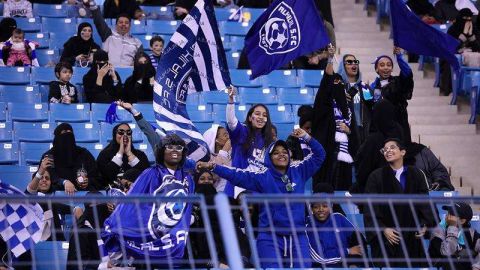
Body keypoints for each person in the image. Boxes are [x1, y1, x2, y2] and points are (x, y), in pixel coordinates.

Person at [197, 128, 326, 268]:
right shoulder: (263, 176)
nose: (281, 155)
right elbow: (236, 175)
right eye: (276, 153)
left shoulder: (299, 170)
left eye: (284, 152)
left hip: (298, 236)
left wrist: (307, 137)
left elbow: (320, 155)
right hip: (270, 237)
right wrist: (213, 167)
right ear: (268, 158)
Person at [101, 134, 195, 268]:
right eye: (169, 147)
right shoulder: (150, 173)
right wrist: (116, 222)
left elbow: (186, 208)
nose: (175, 150)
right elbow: (133, 202)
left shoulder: (188, 179)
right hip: (150, 234)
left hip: (174, 239)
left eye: (179, 148)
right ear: (162, 151)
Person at [364, 138, 437, 267]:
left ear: (402, 152)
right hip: (388, 238)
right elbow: (370, 208)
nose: (388, 151)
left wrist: (425, 224)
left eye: (392, 147)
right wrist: (383, 229)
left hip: (411, 237)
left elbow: (424, 202)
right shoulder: (376, 176)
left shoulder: (416, 174)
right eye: (385, 149)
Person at [312, 45, 358, 191]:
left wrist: (349, 130)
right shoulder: (323, 103)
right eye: (335, 84)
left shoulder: (346, 106)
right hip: (326, 154)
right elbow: (327, 80)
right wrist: (330, 59)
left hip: (343, 158)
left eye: (340, 85)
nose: (338, 86)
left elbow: (354, 131)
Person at [225, 87, 275, 198]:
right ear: (250, 117)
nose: (261, 117)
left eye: (264, 115)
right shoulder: (242, 131)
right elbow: (231, 122)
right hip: (236, 189)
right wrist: (231, 100)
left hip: (258, 191)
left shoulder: (270, 142)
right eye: (257, 114)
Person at [351, 99, 404, 194]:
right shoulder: (399, 132)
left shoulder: (374, 139)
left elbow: (363, 168)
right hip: (398, 190)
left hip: (375, 193)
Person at [307, 193, 367, 267]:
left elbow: (358, 241)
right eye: (316, 207)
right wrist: (347, 251)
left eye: (325, 206)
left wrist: (353, 264)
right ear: (312, 209)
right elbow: (320, 258)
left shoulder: (339, 218)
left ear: (331, 207)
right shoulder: (308, 226)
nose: (321, 210)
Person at [370, 47, 414, 144]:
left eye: (389, 65)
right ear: (377, 69)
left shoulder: (398, 82)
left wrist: (399, 56)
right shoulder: (372, 87)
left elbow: (407, 72)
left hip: (398, 124)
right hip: (380, 128)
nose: (386, 67)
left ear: (392, 68)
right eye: (382, 65)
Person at [41, 123, 101, 192]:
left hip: (83, 196)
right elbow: (46, 178)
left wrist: (88, 181)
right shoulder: (49, 156)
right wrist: (64, 182)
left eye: (70, 133)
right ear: (57, 137)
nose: (68, 136)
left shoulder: (83, 153)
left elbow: (97, 177)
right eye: (64, 132)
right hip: (57, 197)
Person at [85, 0, 143, 67]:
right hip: (108, 72)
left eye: (126, 23)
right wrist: (93, 5)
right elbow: (99, 21)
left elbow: (141, 60)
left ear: (130, 26)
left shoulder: (138, 43)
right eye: (120, 22)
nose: (123, 24)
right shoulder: (108, 35)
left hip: (129, 74)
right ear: (116, 25)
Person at [429, 202, 480, 270]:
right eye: (448, 212)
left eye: (452, 214)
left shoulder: (470, 233)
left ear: (462, 221)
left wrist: (476, 266)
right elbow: (447, 252)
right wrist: (452, 227)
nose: (447, 216)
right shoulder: (439, 231)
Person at [96, 123, 149, 187]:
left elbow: (146, 175)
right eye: (121, 132)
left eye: (128, 133)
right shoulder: (104, 155)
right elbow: (105, 177)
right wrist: (120, 153)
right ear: (114, 135)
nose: (125, 135)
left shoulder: (140, 155)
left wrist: (129, 153)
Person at [337, 53, 372, 143]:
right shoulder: (338, 87)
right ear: (343, 66)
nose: (354, 64)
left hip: (362, 130)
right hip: (345, 130)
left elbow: (371, 106)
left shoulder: (364, 87)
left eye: (355, 62)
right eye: (349, 62)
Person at [203, 124, 231, 192]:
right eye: (225, 135)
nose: (229, 137)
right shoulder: (207, 158)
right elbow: (213, 176)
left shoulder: (234, 153)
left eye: (228, 134)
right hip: (218, 193)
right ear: (216, 140)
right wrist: (224, 151)